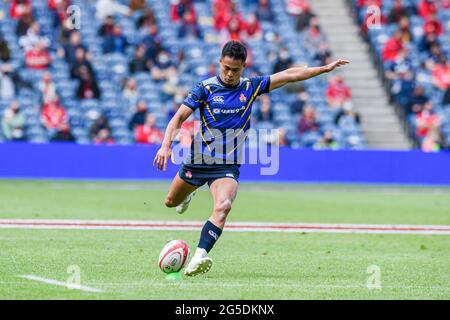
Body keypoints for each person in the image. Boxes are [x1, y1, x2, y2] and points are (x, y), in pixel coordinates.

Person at [153, 41, 348, 276]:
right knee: (170, 202)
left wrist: (322, 69)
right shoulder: (205, 88)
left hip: (227, 165)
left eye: (235, 69)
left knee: (223, 207)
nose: (229, 74)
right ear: (220, 63)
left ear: (243, 67)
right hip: (199, 159)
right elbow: (178, 117)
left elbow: (289, 75)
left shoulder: (250, 86)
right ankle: (191, 191)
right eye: (226, 68)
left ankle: (199, 256)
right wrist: (166, 146)